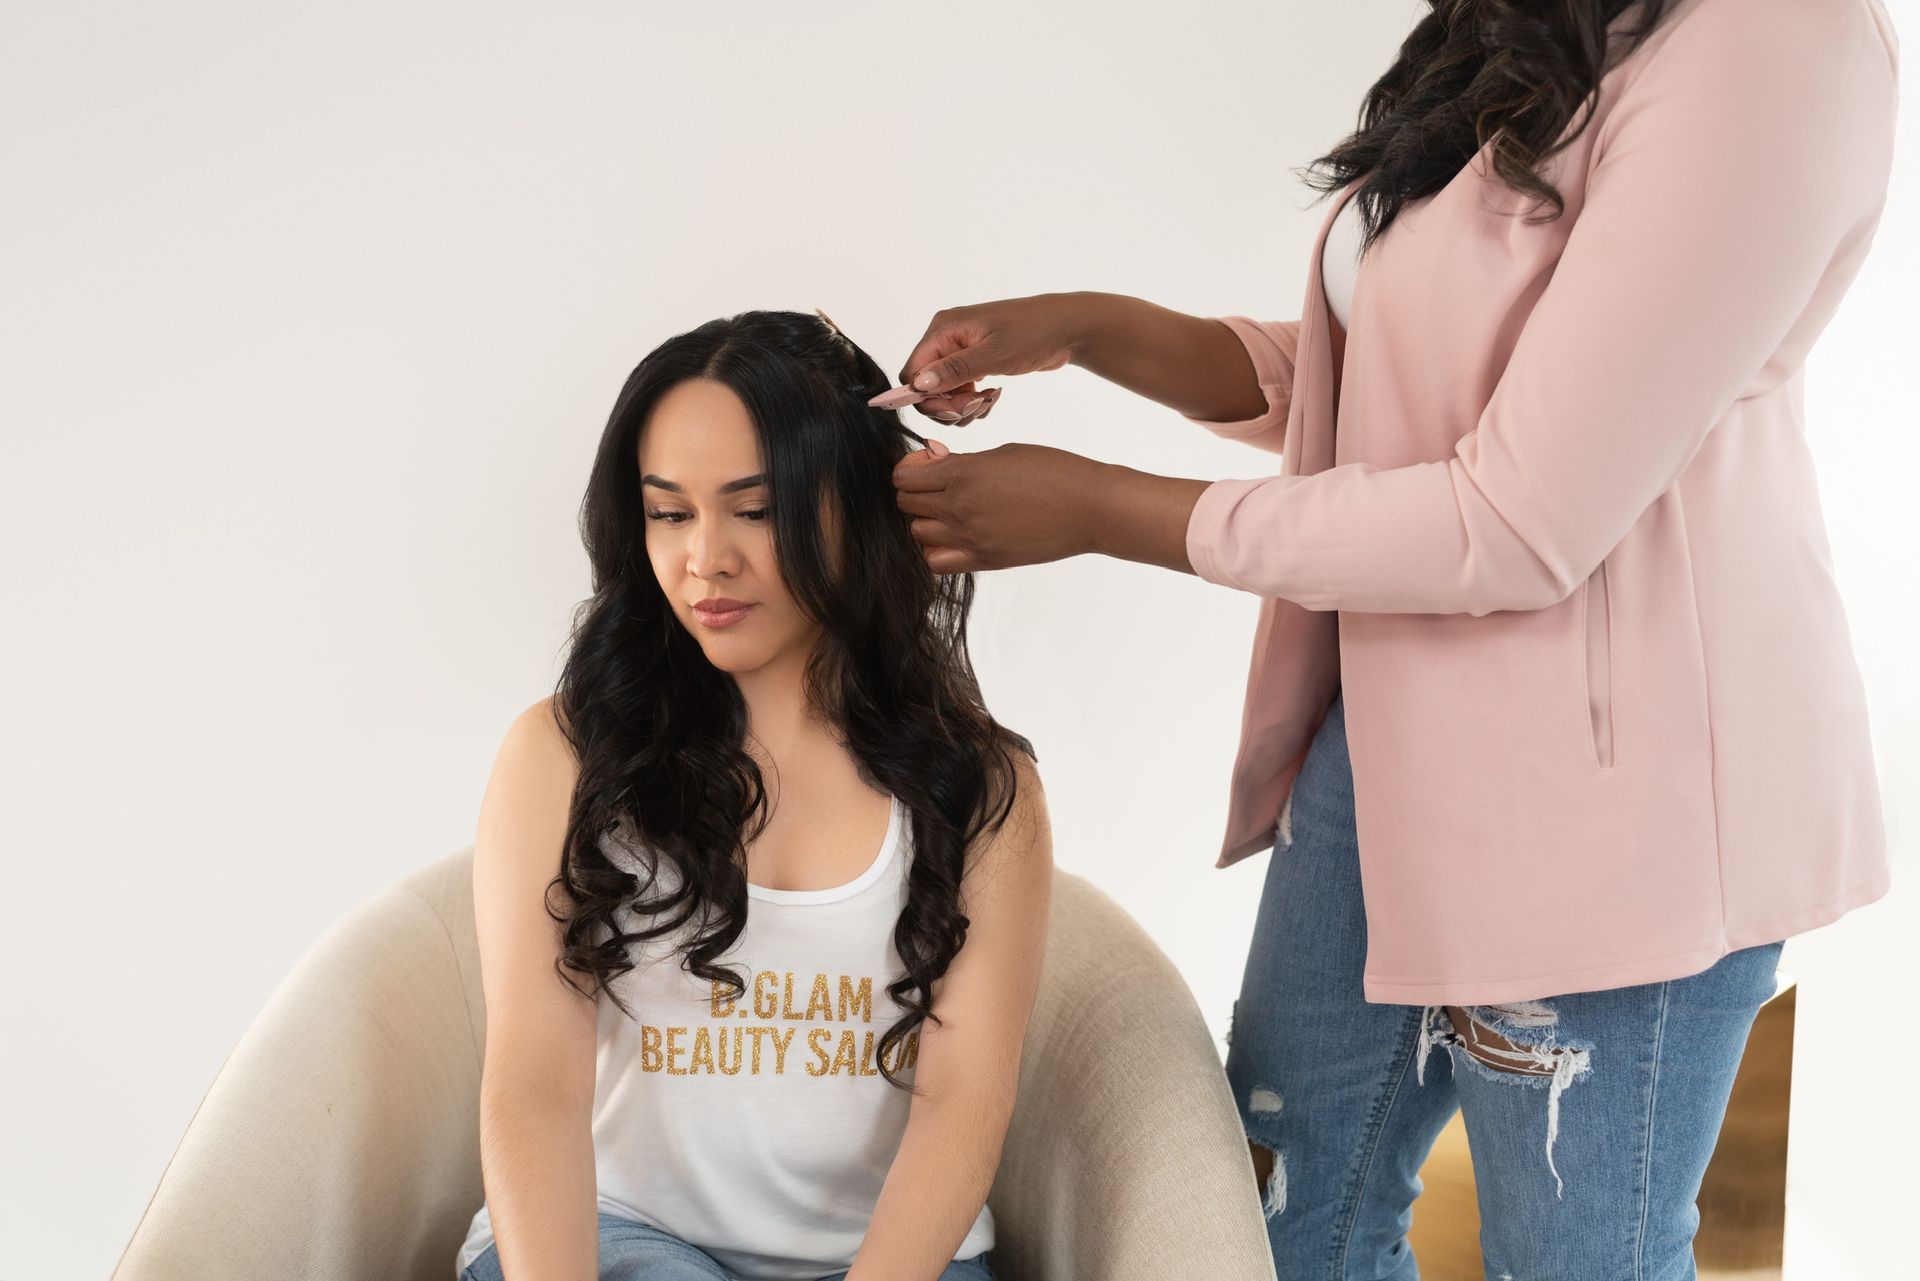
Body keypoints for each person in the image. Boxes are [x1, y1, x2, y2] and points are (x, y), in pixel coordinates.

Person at [880, 0, 1896, 1274]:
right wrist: (1094, 328)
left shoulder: (1769, 41)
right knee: (1274, 1229)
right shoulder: (1532, 20)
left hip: (1617, 810)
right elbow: (1405, 374)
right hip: (1389, 749)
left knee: (1578, 1259)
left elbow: (1517, 517)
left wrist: (1098, 509)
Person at [456, 309, 1051, 1281]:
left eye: (756, 508)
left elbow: (963, 1104)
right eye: (670, 511)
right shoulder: (560, 755)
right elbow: (532, 1087)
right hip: (624, 1242)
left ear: (858, 507)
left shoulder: (983, 789)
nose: (706, 560)